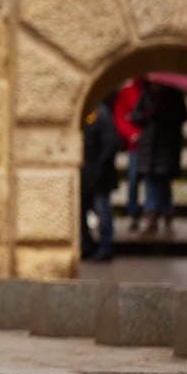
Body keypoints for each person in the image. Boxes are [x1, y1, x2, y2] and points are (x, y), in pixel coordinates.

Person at [130, 81, 187, 235]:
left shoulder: (174, 95)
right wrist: (148, 115)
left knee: (163, 184)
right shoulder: (146, 93)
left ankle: (165, 216)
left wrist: (164, 112)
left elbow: (182, 116)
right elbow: (135, 116)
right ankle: (152, 217)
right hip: (149, 147)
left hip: (167, 146)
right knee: (151, 183)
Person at [81, 95, 122, 262]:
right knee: (81, 212)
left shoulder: (101, 114)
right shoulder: (86, 114)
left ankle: (105, 247)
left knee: (103, 210)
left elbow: (110, 143)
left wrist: (99, 168)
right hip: (85, 173)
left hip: (99, 175)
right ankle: (86, 245)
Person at [112, 77, 145, 231]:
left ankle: (158, 214)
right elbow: (120, 117)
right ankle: (134, 213)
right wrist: (131, 134)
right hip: (135, 145)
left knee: (156, 182)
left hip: (151, 143)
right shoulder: (127, 92)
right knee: (133, 180)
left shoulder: (152, 91)